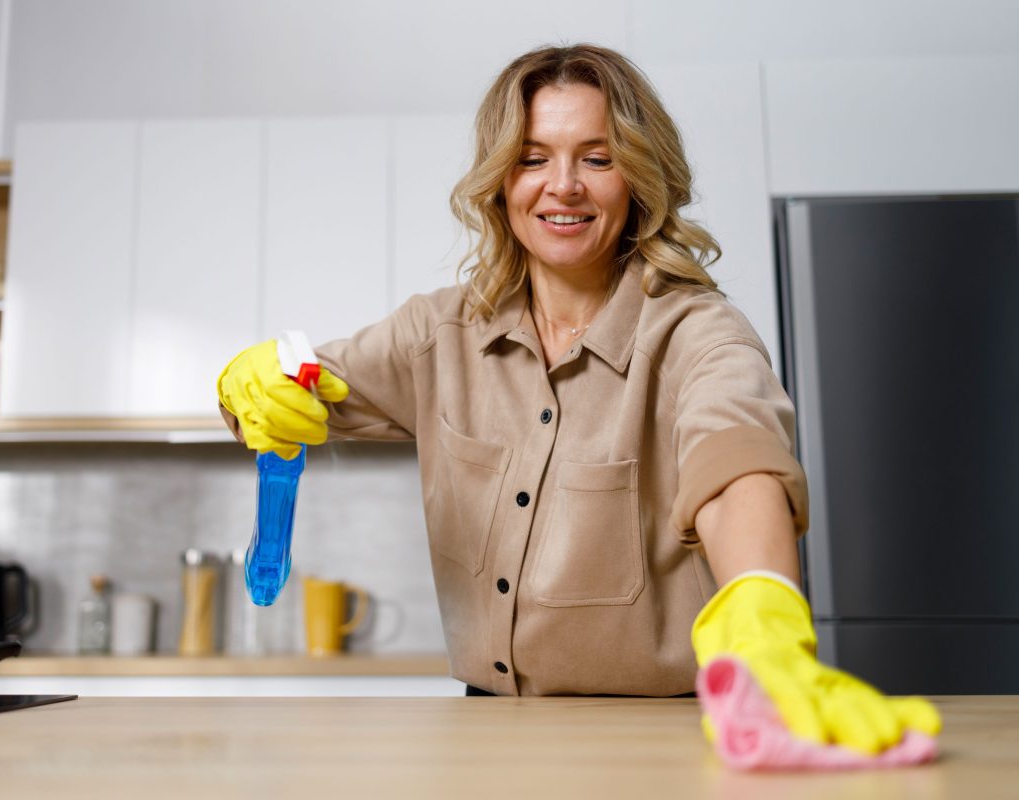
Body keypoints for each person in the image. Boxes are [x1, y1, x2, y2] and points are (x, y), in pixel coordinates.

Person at [218, 43, 940, 755]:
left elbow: (736, 460)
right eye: (534, 158)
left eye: (597, 158)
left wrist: (763, 607)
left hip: (659, 738)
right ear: (503, 180)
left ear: (639, 178)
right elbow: (301, 388)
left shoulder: (696, 333)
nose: (563, 185)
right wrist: (246, 384)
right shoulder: (439, 334)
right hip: (487, 732)